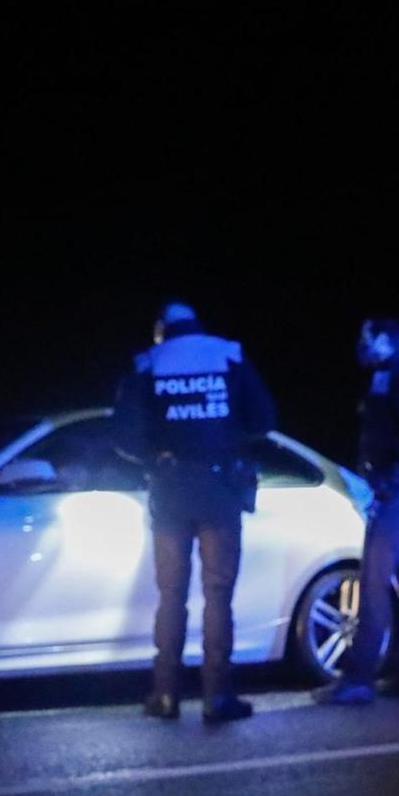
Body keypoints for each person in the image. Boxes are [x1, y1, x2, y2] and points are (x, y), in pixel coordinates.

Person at [111, 302, 274, 723]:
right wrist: (226, 438)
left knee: (171, 595)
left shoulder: (148, 362)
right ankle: (217, 698)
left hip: (170, 492)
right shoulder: (228, 355)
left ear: (162, 330)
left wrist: (156, 455)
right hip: (220, 490)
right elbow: (264, 418)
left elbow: (123, 435)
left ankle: (165, 695)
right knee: (218, 595)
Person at [315, 317, 399, 706]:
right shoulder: (388, 375)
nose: (360, 344)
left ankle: (359, 679)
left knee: (372, 585)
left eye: (366, 337)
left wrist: (394, 479)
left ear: (385, 341)